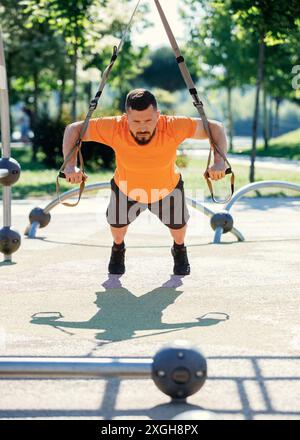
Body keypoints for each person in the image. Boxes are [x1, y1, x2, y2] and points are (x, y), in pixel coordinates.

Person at [62, 89, 228, 276]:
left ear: (158, 116)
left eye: (148, 121)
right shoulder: (116, 127)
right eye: (136, 121)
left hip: (167, 189)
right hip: (126, 188)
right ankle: (118, 249)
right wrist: (70, 166)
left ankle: (179, 249)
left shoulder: (172, 126)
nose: (142, 126)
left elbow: (216, 128)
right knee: (117, 229)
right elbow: (73, 129)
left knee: (179, 229)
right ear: (126, 118)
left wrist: (219, 162)